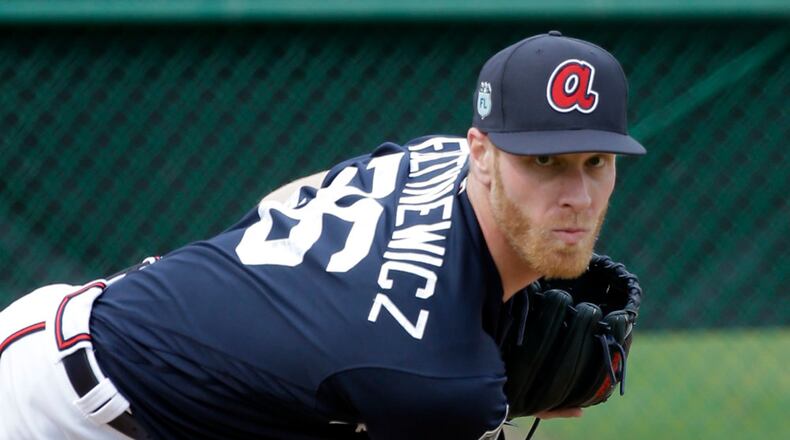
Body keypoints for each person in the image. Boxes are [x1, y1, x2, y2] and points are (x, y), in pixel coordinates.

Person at [0, 31, 645, 440]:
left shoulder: (435, 155)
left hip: (90, 340)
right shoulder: (436, 376)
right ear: (482, 153)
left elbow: (281, 201)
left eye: (596, 162)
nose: (577, 196)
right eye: (544, 162)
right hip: (58, 413)